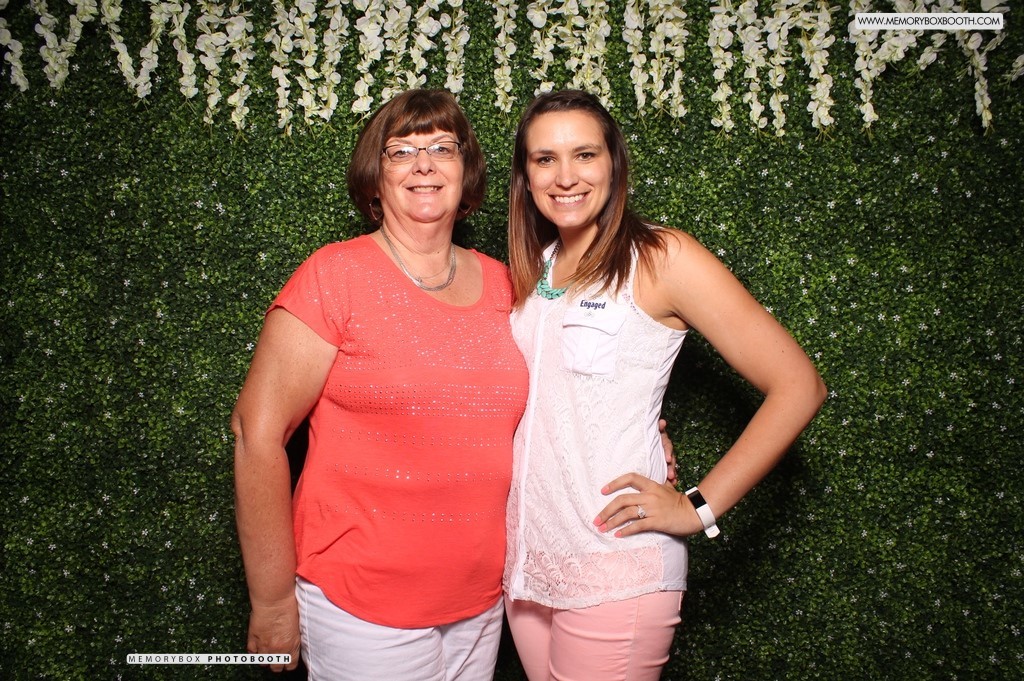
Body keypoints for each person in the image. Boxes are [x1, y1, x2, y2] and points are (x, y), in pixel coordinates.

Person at [502, 89, 828, 681]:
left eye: (585, 155)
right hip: (529, 565)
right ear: (526, 176)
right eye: (545, 159)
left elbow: (799, 386)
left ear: (614, 164)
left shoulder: (661, 256)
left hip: (616, 562)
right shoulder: (536, 266)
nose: (565, 176)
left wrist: (696, 507)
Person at [231, 89, 531, 680]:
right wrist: (272, 600)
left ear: (466, 170)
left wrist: (646, 428)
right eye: (402, 151)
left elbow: (557, 397)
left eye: (443, 148)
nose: (424, 164)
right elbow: (255, 434)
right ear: (376, 174)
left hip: (481, 601)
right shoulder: (335, 275)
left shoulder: (507, 285)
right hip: (358, 604)